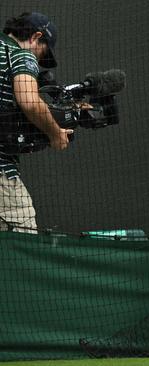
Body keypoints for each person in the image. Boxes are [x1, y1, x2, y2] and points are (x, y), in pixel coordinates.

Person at [0, 12, 72, 233]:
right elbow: (30, 102)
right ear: (35, 37)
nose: (40, 61)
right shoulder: (20, 55)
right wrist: (55, 133)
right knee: (24, 242)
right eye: (43, 51)